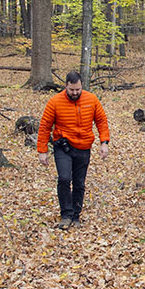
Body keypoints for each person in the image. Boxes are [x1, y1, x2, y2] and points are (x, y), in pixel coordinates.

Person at [37, 71, 110, 228]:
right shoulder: (55, 102)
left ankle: (76, 216)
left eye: (78, 89)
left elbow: (101, 121)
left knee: (79, 183)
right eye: (72, 90)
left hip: (84, 147)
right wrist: (42, 150)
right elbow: (44, 126)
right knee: (64, 179)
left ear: (82, 86)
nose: (75, 93)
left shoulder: (91, 99)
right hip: (63, 146)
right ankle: (66, 215)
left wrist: (104, 142)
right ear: (66, 86)